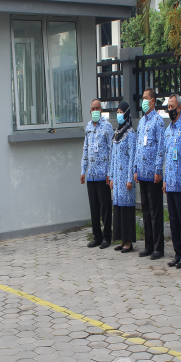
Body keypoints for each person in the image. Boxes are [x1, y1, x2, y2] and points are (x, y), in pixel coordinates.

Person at [134, 88, 165, 259]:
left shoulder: (158, 121)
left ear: (152, 101)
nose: (143, 101)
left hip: (153, 174)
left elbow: (161, 147)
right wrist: (136, 169)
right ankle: (148, 244)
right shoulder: (142, 122)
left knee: (155, 211)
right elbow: (139, 147)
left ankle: (158, 247)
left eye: (146, 98)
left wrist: (158, 170)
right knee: (145, 210)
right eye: (142, 97)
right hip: (143, 173)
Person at [163, 94, 181, 269]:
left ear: (179, 108)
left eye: (172, 106)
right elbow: (168, 158)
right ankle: (176, 253)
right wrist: (165, 181)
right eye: (168, 106)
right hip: (170, 182)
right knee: (173, 220)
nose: (170, 109)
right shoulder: (168, 131)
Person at [81, 98, 114, 249]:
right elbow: (85, 150)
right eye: (93, 109)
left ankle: (107, 237)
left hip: (103, 175)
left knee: (105, 207)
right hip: (91, 175)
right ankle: (97, 237)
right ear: (90, 111)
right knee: (94, 208)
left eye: (98, 108)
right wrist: (83, 170)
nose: (95, 111)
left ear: (101, 110)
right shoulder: (88, 127)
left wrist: (110, 173)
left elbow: (111, 151)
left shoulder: (107, 127)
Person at [109, 101, 137, 252]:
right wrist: (111, 177)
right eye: (118, 111)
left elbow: (133, 157)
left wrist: (130, 179)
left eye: (121, 111)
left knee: (127, 210)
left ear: (127, 114)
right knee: (118, 209)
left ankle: (129, 242)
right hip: (117, 179)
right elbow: (113, 157)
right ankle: (121, 240)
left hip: (126, 179)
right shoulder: (116, 133)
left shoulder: (130, 133)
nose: (119, 114)